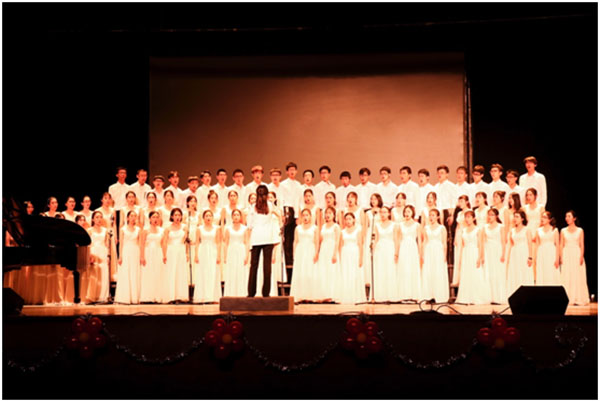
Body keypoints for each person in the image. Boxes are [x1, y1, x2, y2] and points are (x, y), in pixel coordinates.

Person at [246, 185, 280, 297]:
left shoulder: (253, 207)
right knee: (267, 267)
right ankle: (266, 293)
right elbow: (279, 214)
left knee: (254, 266)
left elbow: (249, 225)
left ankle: (251, 293)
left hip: (256, 238)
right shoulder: (270, 205)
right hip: (268, 238)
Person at [455, 211, 490, 305]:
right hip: (466, 253)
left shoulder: (478, 230)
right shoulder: (464, 230)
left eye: (469, 217)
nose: (467, 219)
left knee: (475, 274)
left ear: (474, 218)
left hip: (474, 252)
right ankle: (466, 297)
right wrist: (460, 258)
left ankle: (477, 296)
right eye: (466, 217)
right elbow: (462, 245)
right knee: (466, 274)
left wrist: (480, 257)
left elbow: (480, 244)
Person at [560, 211, 590, 305]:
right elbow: (561, 245)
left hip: (576, 253)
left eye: (569, 216)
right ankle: (567, 297)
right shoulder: (563, 230)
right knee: (567, 275)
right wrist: (561, 256)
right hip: (566, 254)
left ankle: (578, 297)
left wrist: (581, 256)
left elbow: (582, 245)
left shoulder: (580, 230)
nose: (567, 218)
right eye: (566, 216)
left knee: (577, 275)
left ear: (574, 218)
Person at [290, 208, 319, 302]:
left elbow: (316, 241)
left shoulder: (314, 228)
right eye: (303, 215)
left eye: (307, 215)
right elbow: (295, 241)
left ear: (310, 216)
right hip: (300, 251)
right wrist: (294, 253)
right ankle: (300, 295)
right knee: (300, 272)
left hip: (310, 250)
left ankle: (310, 295)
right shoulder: (298, 228)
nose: (305, 217)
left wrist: (316, 253)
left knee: (309, 272)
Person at [421, 208, 449, 303]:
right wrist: (422, 253)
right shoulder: (426, 228)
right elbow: (425, 241)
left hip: (438, 251)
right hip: (429, 250)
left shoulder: (442, 228)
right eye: (430, 215)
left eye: (433, 215)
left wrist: (445, 254)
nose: (431, 217)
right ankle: (429, 295)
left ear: (437, 217)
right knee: (429, 271)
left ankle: (439, 295)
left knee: (438, 271)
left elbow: (444, 242)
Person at [193, 209, 222, 303]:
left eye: (210, 216)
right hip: (203, 251)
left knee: (212, 272)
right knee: (203, 273)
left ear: (213, 218)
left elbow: (218, 243)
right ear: (203, 218)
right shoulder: (199, 228)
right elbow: (197, 242)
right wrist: (196, 255)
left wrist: (218, 255)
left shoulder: (217, 228)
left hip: (213, 251)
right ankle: (202, 296)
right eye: (206, 216)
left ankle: (213, 297)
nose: (208, 217)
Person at [81, 211, 109, 303]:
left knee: (103, 274)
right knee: (94, 275)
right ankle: (93, 296)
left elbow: (107, 244)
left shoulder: (105, 230)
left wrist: (108, 255)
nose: (99, 219)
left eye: (100, 217)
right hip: (94, 253)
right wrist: (89, 255)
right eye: (97, 217)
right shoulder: (89, 230)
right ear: (93, 219)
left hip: (103, 252)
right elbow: (88, 244)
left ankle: (103, 296)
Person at [161, 208, 189, 303]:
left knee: (180, 272)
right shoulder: (168, 228)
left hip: (181, 250)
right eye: (175, 215)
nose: (177, 217)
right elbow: (164, 242)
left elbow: (186, 242)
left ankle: (181, 296)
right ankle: (171, 296)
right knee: (172, 272)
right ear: (172, 216)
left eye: (179, 215)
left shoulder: (184, 227)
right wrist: (164, 254)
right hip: (171, 251)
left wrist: (186, 253)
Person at [338, 212, 366, 304]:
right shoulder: (342, 232)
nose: (348, 221)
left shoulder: (358, 231)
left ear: (353, 220)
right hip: (345, 254)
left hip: (355, 253)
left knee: (355, 274)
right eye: (346, 219)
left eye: (350, 219)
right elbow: (340, 246)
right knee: (346, 274)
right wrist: (340, 258)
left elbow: (360, 245)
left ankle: (356, 296)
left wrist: (361, 258)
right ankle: (346, 296)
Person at [280, 162, 303, 274]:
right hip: (287, 211)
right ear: (287, 172)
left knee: (295, 238)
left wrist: (298, 216)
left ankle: (294, 262)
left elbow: (299, 201)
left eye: (294, 169)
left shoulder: (299, 185)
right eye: (290, 170)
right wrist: (283, 214)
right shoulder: (283, 184)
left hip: (296, 212)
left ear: (296, 171)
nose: (292, 171)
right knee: (287, 239)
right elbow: (281, 200)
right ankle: (287, 263)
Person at [372, 206, 398, 302]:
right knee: (380, 270)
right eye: (381, 212)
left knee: (389, 270)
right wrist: (373, 249)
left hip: (390, 248)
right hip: (380, 249)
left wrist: (396, 252)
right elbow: (376, 239)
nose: (382, 214)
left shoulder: (394, 225)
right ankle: (380, 295)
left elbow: (396, 239)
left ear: (388, 213)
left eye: (384, 212)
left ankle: (390, 295)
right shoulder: (377, 225)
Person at [114, 211, 141, 304]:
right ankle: (125, 297)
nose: (133, 218)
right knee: (126, 272)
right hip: (126, 251)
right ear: (128, 218)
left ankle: (134, 297)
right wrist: (120, 256)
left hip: (135, 251)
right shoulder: (123, 229)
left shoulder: (138, 229)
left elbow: (139, 243)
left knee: (134, 273)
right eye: (131, 216)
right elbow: (121, 243)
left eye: (135, 216)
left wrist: (140, 255)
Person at [506, 210, 534, 296]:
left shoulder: (527, 230)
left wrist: (530, 257)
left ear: (522, 219)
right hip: (515, 253)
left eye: (517, 217)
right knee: (515, 272)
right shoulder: (512, 230)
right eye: (514, 216)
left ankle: (526, 294)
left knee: (524, 272)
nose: (515, 218)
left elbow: (530, 243)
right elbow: (511, 244)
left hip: (523, 252)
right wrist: (508, 257)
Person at [483, 208, 507, 304]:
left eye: (492, 215)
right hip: (488, 251)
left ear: (496, 216)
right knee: (489, 273)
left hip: (497, 250)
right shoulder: (485, 227)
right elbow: (484, 241)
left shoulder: (501, 227)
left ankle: (498, 297)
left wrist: (503, 253)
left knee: (498, 273)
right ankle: (490, 297)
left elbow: (503, 241)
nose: (490, 217)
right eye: (489, 214)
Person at [397, 205, 421, 301]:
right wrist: (397, 252)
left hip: (412, 248)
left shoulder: (417, 225)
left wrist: (420, 253)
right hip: (403, 247)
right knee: (404, 269)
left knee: (412, 269)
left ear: (412, 213)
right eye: (405, 211)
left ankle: (414, 295)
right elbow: (398, 239)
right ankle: (404, 295)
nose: (407, 213)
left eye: (409, 211)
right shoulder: (400, 225)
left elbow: (419, 240)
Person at [223, 209, 250, 297]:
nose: (236, 217)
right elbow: (226, 243)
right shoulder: (228, 228)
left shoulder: (245, 228)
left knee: (241, 271)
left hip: (241, 251)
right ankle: (231, 293)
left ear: (240, 217)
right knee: (232, 271)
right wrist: (225, 256)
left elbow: (247, 242)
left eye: (238, 215)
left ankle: (242, 293)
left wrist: (247, 255)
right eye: (234, 215)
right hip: (231, 251)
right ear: (231, 217)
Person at [317, 206, 341, 302]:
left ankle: (332, 294)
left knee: (331, 271)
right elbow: (320, 239)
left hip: (332, 249)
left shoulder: (336, 226)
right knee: (323, 271)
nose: (328, 215)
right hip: (324, 249)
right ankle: (324, 294)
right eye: (326, 213)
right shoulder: (323, 226)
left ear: (334, 215)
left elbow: (337, 240)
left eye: (330, 213)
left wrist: (335, 253)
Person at [139, 211, 164, 303]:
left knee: (158, 273)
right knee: (148, 274)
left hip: (158, 252)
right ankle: (147, 296)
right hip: (148, 252)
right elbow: (141, 244)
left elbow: (163, 243)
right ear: (149, 219)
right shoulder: (145, 231)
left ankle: (157, 296)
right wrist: (142, 256)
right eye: (153, 217)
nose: (155, 219)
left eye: (157, 217)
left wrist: (164, 255)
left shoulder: (161, 230)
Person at [535, 211, 560, 286]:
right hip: (541, 252)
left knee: (551, 271)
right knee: (542, 271)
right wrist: (536, 257)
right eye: (542, 217)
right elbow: (537, 245)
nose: (542, 219)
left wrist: (557, 258)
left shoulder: (554, 230)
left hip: (551, 252)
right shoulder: (538, 230)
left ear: (549, 220)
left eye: (545, 217)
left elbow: (557, 245)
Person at [363, 193, 383, 289]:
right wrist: (363, 237)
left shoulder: (382, 211)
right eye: (371, 199)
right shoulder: (367, 213)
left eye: (375, 199)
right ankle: (369, 280)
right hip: (369, 234)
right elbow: (365, 226)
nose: (373, 201)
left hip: (379, 234)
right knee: (368, 256)